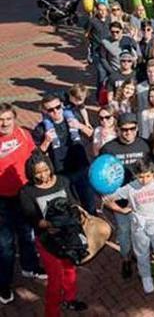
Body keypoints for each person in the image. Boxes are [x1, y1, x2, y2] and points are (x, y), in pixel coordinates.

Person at [19, 151, 87, 316]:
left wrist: (77, 213)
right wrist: (48, 224)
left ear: (50, 167)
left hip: (69, 236)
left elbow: (72, 202)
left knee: (70, 271)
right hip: (47, 241)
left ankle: (70, 300)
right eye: (38, 173)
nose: (43, 175)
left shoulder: (62, 181)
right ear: (31, 173)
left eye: (45, 170)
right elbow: (32, 218)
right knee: (55, 281)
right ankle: (52, 312)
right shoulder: (27, 192)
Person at [103, 160, 154, 294]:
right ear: (135, 175)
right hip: (139, 225)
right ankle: (146, 276)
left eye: (148, 176)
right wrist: (122, 210)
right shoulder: (130, 188)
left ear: (152, 173)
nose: (144, 180)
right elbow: (107, 198)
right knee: (142, 252)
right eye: (141, 177)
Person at [0, 103, 44, 305]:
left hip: (24, 195)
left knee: (28, 234)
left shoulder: (24, 135)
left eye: (8, 118)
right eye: (1, 119)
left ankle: (30, 266)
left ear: (14, 119)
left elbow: (35, 158)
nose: (4, 123)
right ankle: (4, 284)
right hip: (2, 201)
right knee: (5, 245)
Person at [99, 112, 151, 279]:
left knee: (141, 231)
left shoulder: (145, 145)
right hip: (120, 202)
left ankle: (140, 255)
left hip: (142, 200)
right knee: (124, 232)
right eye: (124, 130)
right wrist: (112, 205)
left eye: (132, 129)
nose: (128, 133)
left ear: (137, 128)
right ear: (117, 129)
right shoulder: (108, 149)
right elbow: (100, 177)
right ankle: (126, 259)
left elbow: (152, 171)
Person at [33, 94, 94, 214]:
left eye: (58, 107)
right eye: (51, 110)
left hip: (81, 167)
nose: (56, 111)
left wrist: (80, 126)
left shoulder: (73, 117)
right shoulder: (41, 129)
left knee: (89, 205)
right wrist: (46, 141)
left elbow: (92, 136)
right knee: (69, 208)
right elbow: (37, 155)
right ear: (45, 111)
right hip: (61, 173)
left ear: (62, 105)